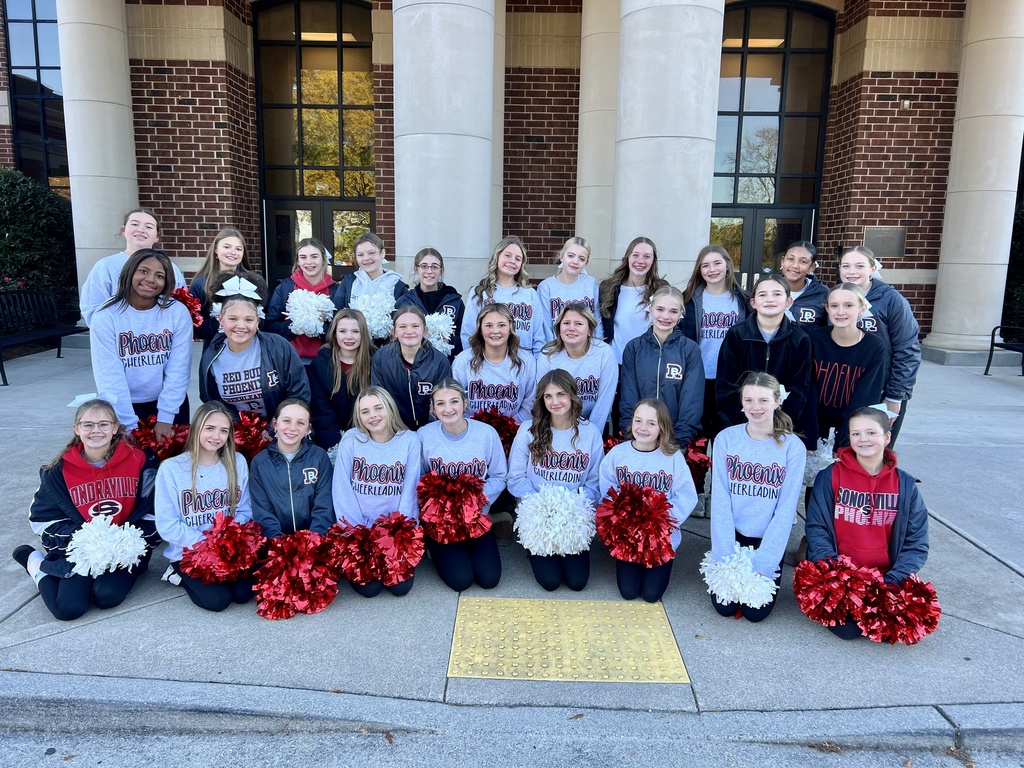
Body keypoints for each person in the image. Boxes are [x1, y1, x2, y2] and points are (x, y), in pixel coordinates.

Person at [12, 399, 159, 621]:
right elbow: (42, 519)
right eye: (88, 424)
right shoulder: (58, 470)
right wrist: (84, 541)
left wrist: (129, 540)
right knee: (68, 609)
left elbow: (156, 510)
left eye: (103, 424)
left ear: (115, 427)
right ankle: (35, 564)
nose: (96, 430)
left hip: (124, 550)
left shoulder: (140, 460)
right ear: (77, 429)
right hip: (78, 549)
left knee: (106, 597)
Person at [805, 407, 929, 639]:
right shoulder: (830, 476)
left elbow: (916, 543)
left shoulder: (906, 485)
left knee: (890, 628)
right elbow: (816, 528)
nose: (863, 439)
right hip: (840, 576)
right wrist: (835, 573)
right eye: (856, 433)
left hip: (886, 577)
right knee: (848, 629)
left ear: (887, 437)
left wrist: (892, 582)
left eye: (871, 432)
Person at [708, 373, 806, 622]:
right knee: (724, 608)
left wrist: (765, 562)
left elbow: (785, 510)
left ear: (777, 401)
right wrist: (723, 555)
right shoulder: (726, 438)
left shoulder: (792, 446)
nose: (755, 407)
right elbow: (720, 500)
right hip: (733, 537)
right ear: (741, 402)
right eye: (749, 400)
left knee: (755, 613)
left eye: (763, 400)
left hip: (767, 539)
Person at [508, 369, 603, 591]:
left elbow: (595, 482)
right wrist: (542, 507)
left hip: (573, 517)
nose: (555, 402)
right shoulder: (528, 430)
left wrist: (572, 509)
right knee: (550, 582)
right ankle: (532, 549)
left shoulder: (590, 433)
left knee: (577, 583)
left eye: (560, 395)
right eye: (548, 396)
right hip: (539, 516)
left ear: (572, 395)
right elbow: (515, 478)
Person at [155, 401, 255, 612]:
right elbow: (167, 524)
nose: (216, 436)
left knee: (244, 594)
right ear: (196, 428)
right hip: (190, 551)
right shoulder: (172, 469)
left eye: (223, 430)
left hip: (227, 549)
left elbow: (245, 510)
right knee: (217, 602)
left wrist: (225, 542)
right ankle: (175, 574)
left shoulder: (237, 462)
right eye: (209, 428)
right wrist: (206, 544)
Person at [599, 399, 697, 603]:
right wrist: (624, 522)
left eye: (651, 423)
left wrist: (661, 523)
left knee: (651, 595)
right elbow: (607, 492)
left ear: (662, 427)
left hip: (660, 540)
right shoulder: (618, 454)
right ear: (631, 423)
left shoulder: (672, 456)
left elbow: (687, 495)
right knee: (628, 591)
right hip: (628, 538)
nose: (643, 428)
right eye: (638, 421)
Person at [89, 248, 192, 439]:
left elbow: (179, 369)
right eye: (143, 271)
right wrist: (128, 425)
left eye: (159, 275)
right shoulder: (105, 317)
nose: (151, 279)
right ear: (130, 272)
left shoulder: (177, 313)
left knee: (173, 464)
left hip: (169, 404)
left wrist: (166, 417)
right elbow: (110, 377)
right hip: (122, 406)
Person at [418, 379, 507, 591]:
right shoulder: (424, 436)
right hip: (442, 523)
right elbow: (419, 478)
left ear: (465, 404)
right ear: (432, 408)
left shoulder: (486, 434)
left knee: (489, 579)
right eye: (440, 403)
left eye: (454, 401)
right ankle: (433, 544)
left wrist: (471, 501)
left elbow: (499, 476)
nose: (448, 409)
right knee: (461, 581)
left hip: (476, 518)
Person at [332, 387, 422, 597]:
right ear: (359, 416)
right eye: (365, 411)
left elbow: (410, 491)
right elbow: (342, 489)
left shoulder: (409, 440)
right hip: (360, 529)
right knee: (370, 589)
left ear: (389, 408)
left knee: (400, 588)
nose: (372, 416)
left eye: (378, 408)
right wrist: (357, 533)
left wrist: (399, 534)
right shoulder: (351, 440)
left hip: (394, 531)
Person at [716, 273, 817, 450]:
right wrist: (744, 423)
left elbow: (799, 389)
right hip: (741, 423)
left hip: (780, 427)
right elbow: (726, 385)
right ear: (753, 302)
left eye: (777, 294)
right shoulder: (737, 335)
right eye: (763, 294)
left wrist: (779, 425)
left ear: (788, 301)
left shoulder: (801, 339)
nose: (770, 299)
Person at [838, 245, 921, 446]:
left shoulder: (891, 300)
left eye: (859, 266)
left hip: (882, 390)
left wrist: (895, 395)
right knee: (846, 449)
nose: (851, 271)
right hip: (847, 387)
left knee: (876, 450)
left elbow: (907, 350)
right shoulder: (837, 296)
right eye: (845, 266)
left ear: (873, 268)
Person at [199, 270, 310, 420]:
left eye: (249, 320)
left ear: (258, 321)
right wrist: (241, 432)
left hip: (281, 430)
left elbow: (299, 394)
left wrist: (273, 429)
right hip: (237, 433)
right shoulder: (210, 357)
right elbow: (213, 404)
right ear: (220, 319)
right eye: (233, 318)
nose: (241, 326)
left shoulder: (280, 347)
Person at [620, 286, 704, 447]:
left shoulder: (690, 350)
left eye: (673, 311)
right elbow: (628, 398)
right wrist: (631, 436)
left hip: (674, 439)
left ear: (681, 314)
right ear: (651, 309)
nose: (665, 316)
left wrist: (679, 442)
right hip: (640, 437)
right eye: (660, 309)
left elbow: (692, 400)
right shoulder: (634, 348)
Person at [681, 245, 749, 441]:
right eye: (705, 265)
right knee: (697, 442)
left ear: (727, 266)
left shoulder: (744, 300)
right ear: (699, 270)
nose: (712, 270)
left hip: (732, 381)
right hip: (698, 380)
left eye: (717, 263)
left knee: (728, 438)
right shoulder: (688, 301)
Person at [809, 283, 888, 449]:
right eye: (834, 306)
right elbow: (808, 391)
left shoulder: (874, 347)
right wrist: (810, 438)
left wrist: (843, 443)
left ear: (862, 308)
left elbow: (864, 399)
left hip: (853, 424)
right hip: (814, 420)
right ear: (827, 308)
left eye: (849, 305)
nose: (840, 312)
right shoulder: (813, 340)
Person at [79, 208, 185, 325]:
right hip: (119, 338)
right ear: (123, 230)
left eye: (148, 227)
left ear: (157, 237)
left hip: (161, 338)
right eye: (135, 224)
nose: (141, 230)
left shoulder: (170, 268)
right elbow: (92, 306)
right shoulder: (105, 266)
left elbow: (180, 304)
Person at [249, 399, 334, 539]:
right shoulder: (260, 463)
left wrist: (313, 542)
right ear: (275, 424)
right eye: (287, 421)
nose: (292, 428)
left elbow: (324, 506)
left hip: (315, 544)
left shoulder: (319, 457)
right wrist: (280, 548)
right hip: (276, 548)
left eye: (300, 423)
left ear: (308, 429)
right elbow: (263, 513)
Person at [537, 302, 617, 435]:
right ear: (559, 328)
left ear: (589, 329)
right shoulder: (547, 355)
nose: (571, 328)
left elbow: (604, 402)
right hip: (556, 426)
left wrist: (589, 436)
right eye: (566, 323)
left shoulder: (605, 353)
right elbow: (542, 399)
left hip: (596, 425)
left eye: (578, 324)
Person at [462, 235, 547, 357]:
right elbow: (468, 334)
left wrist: (537, 365)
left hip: (524, 364)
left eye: (518, 259)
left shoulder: (530, 294)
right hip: (488, 362)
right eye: (507, 255)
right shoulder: (480, 293)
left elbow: (538, 338)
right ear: (497, 257)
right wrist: (476, 362)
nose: (512, 261)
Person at [370, 305, 452, 430]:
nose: (409, 331)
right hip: (394, 430)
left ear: (425, 331)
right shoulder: (381, 358)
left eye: (415, 326)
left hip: (431, 429)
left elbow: (445, 401)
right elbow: (378, 399)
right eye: (402, 327)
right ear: (394, 332)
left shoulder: (439, 361)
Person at [452, 303, 537, 422]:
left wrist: (509, 429)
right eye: (488, 326)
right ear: (480, 329)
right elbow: (454, 402)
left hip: (513, 433)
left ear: (510, 328)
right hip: (472, 431)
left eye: (501, 325)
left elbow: (530, 404)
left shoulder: (527, 361)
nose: (495, 331)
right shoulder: (463, 361)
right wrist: (471, 428)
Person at [307, 309, 375, 451]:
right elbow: (322, 411)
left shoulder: (375, 361)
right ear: (334, 333)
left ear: (363, 334)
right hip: (332, 438)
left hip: (370, 436)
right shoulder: (320, 364)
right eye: (343, 331)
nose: (349, 337)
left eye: (355, 331)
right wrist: (336, 448)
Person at [264, 237, 336, 363]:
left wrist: (322, 326)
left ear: (323, 259)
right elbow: (269, 325)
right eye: (303, 257)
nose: (309, 262)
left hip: (327, 360)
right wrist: (294, 326)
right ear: (297, 261)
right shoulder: (284, 288)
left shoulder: (336, 290)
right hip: (290, 359)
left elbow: (343, 330)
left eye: (314, 256)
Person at [598, 236, 668, 365]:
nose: (640, 261)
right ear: (627, 257)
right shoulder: (608, 287)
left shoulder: (661, 288)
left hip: (649, 364)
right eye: (635, 255)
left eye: (647, 256)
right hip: (615, 362)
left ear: (653, 261)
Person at [395, 247, 465, 361]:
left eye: (434, 267)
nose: (429, 271)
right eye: (423, 266)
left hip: (444, 366)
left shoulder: (455, 302)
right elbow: (394, 337)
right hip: (411, 365)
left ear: (441, 270)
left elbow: (465, 338)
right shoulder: (404, 301)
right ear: (416, 269)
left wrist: (449, 341)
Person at [189, 228, 252, 349]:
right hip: (215, 349)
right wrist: (223, 322)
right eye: (227, 247)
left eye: (238, 249)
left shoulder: (253, 282)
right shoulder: (200, 284)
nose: (233, 252)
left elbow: (264, 320)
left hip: (249, 348)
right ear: (216, 250)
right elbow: (195, 327)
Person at [536, 237, 602, 341]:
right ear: (562, 257)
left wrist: (598, 347)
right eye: (571, 256)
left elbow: (597, 320)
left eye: (582, 259)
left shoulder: (591, 284)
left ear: (586, 263)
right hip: (557, 350)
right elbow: (546, 327)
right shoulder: (546, 287)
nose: (575, 261)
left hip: (588, 350)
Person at [330, 232, 408, 311]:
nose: (366, 258)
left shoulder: (397, 286)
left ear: (382, 254)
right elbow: (336, 314)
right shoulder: (348, 282)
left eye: (371, 253)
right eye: (360, 255)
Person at [779, 240, 827, 327]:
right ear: (783, 261)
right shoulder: (767, 288)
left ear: (812, 267)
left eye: (803, 262)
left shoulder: (821, 293)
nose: (795, 266)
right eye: (790, 259)